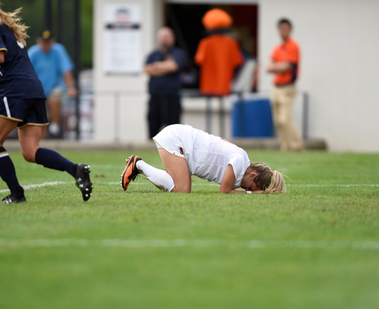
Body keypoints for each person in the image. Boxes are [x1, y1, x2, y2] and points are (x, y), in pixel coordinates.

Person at [0, 0, 92, 204]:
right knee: (30, 151)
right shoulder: (1, 22)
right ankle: (75, 169)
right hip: (33, 88)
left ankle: (17, 194)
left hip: (15, 89)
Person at [121, 124, 285, 194]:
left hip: (182, 141)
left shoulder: (242, 164)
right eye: (250, 188)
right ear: (253, 176)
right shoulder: (239, 161)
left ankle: (138, 165)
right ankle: (138, 164)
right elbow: (224, 191)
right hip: (177, 139)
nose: (247, 190)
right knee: (183, 190)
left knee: (181, 188)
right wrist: (251, 195)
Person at [28, 30, 77, 139]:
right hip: (38, 90)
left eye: (48, 42)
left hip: (55, 86)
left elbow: (66, 70)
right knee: (41, 121)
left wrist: (70, 87)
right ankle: (41, 146)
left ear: (52, 42)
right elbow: (26, 71)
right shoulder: (33, 52)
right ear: (39, 42)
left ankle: (54, 125)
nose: (46, 45)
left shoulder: (58, 50)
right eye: (44, 42)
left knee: (54, 98)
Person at [266, 18, 304, 152]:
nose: (283, 31)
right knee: (277, 121)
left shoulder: (293, 46)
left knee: (285, 119)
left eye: (286, 28)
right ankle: (285, 146)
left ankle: (296, 145)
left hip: (287, 87)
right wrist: (278, 66)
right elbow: (268, 67)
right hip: (276, 87)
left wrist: (277, 66)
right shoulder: (278, 48)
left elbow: (287, 66)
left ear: (290, 30)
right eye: (281, 28)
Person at [143, 27, 185, 139]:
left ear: (173, 38)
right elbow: (147, 69)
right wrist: (165, 66)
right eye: (162, 37)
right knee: (153, 124)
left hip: (172, 96)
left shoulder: (178, 53)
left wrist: (156, 67)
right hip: (155, 97)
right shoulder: (153, 54)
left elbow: (174, 66)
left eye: (167, 36)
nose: (165, 39)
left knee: (173, 129)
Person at [194, 9, 243, 97]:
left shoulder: (205, 43)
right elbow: (237, 61)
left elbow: (199, 60)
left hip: (209, 85)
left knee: (209, 106)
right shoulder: (232, 43)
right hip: (224, 83)